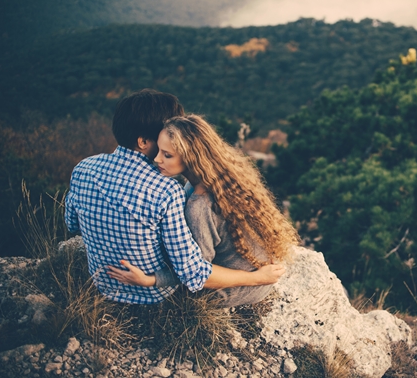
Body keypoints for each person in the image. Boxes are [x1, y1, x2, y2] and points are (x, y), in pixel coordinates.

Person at [65, 89, 284, 305]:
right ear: (144, 141)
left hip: (102, 286)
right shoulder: (167, 190)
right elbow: (192, 271)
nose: (161, 156)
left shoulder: (83, 168)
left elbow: (72, 224)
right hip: (155, 297)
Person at [107, 114, 300, 307]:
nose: (157, 159)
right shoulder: (220, 179)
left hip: (241, 286)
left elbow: (198, 274)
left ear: (191, 158)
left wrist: (151, 279)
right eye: (159, 150)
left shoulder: (200, 208)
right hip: (254, 271)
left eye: (167, 155)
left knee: (175, 300)